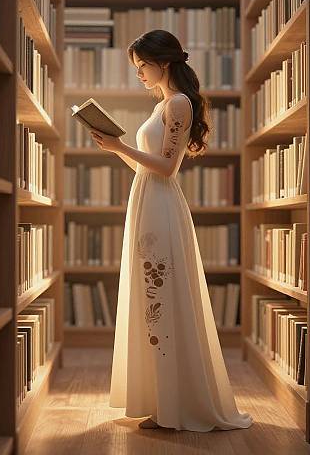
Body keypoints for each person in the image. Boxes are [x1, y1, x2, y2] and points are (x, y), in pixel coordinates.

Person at [89, 29, 253, 432]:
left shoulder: (178, 103)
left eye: (142, 66)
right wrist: (116, 149)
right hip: (148, 200)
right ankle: (163, 402)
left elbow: (167, 167)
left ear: (162, 62)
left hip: (160, 203)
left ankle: (176, 405)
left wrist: (120, 146)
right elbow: (150, 167)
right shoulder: (165, 103)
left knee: (161, 296)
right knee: (152, 298)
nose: (139, 75)